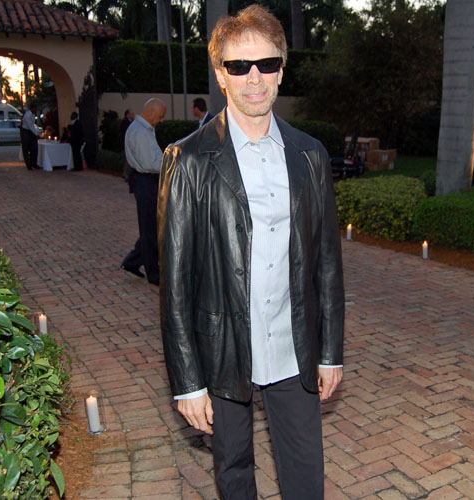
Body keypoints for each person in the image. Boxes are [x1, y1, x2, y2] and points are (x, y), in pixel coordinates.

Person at [158, 5, 344, 500]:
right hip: (222, 347)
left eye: (266, 64)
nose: (254, 78)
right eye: (239, 66)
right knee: (234, 472)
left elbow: (327, 263)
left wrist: (330, 352)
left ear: (282, 68)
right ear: (221, 74)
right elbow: (174, 282)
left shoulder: (311, 155)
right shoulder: (189, 160)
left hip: (294, 342)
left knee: (306, 472)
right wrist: (187, 380)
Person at [121, 98, 166, 285]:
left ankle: (132, 261)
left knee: (152, 226)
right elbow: (149, 164)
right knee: (150, 229)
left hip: (148, 182)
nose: (162, 120)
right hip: (145, 182)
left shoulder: (144, 129)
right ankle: (153, 273)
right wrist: (171, 163)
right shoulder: (139, 132)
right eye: (161, 116)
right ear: (152, 113)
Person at [20, 104, 41, 170]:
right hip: (26, 132)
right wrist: (36, 134)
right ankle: (29, 165)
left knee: (34, 148)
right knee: (26, 149)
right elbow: (30, 126)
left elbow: (33, 125)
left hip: (31, 132)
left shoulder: (33, 115)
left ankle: (34, 163)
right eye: (35, 109)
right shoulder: (27, 115)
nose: (36, 110)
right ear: (32, 108)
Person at [120, 108, 135, 184]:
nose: (133, 115)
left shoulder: (129, 122)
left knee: (128, 160)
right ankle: (126, 175)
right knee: (128, 160)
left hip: (128, 144)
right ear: (128, 114)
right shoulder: (125, 122)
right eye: (132, 114)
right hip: (127, 145)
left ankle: (127, 174)